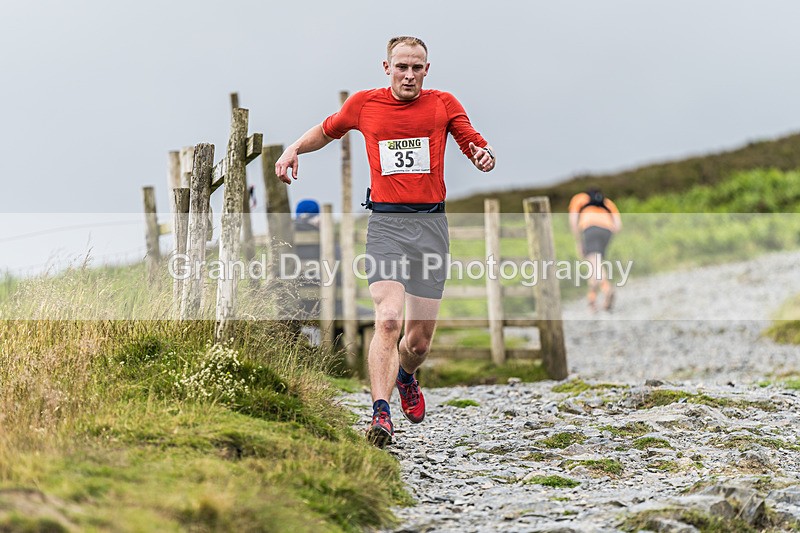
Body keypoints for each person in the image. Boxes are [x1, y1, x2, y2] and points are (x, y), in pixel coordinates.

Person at [275, 36, 496, 447]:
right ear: (386, 67)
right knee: (389, 319)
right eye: (401, 67)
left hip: (431, 228)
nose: (409, 75)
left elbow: (470, 140)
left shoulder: (443, 103)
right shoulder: (364, 104)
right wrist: (293, 148)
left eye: (416, 68)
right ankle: (380, 414)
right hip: (386, 226)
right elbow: (328, 130)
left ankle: (407, 375)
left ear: (427, 70)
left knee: (417, 341)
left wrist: (483, 154)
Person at [568, 188, 622, 312]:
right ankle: (592, 301)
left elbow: (573, 220)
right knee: (594, 265)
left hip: (590, 228)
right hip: (607, 230)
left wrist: (578, 241)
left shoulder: (579, 198)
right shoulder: (607, 202)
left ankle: (607, 289)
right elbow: (618, 225)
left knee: (594, 264)